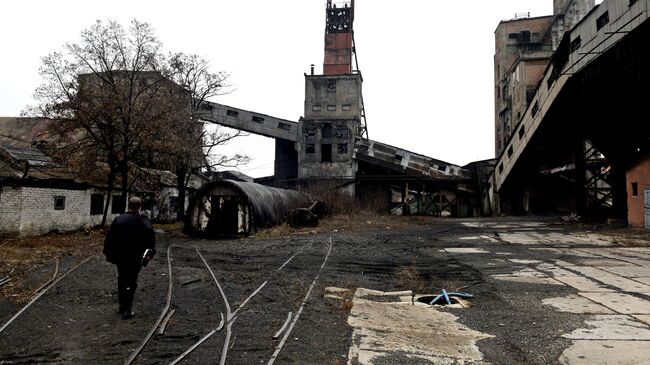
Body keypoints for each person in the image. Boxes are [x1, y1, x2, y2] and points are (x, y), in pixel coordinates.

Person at [103, 196, 156, 319]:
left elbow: (110, 239)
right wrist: (149, 255)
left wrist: (109, 254)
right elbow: (150, 242)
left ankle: (122, 305)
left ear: (128, 205)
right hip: (136, 258)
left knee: (122, 278)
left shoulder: (119, 220)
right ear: (139, 206)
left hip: (121, 257)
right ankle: (128, 308)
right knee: (132, 280)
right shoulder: (144, 221)